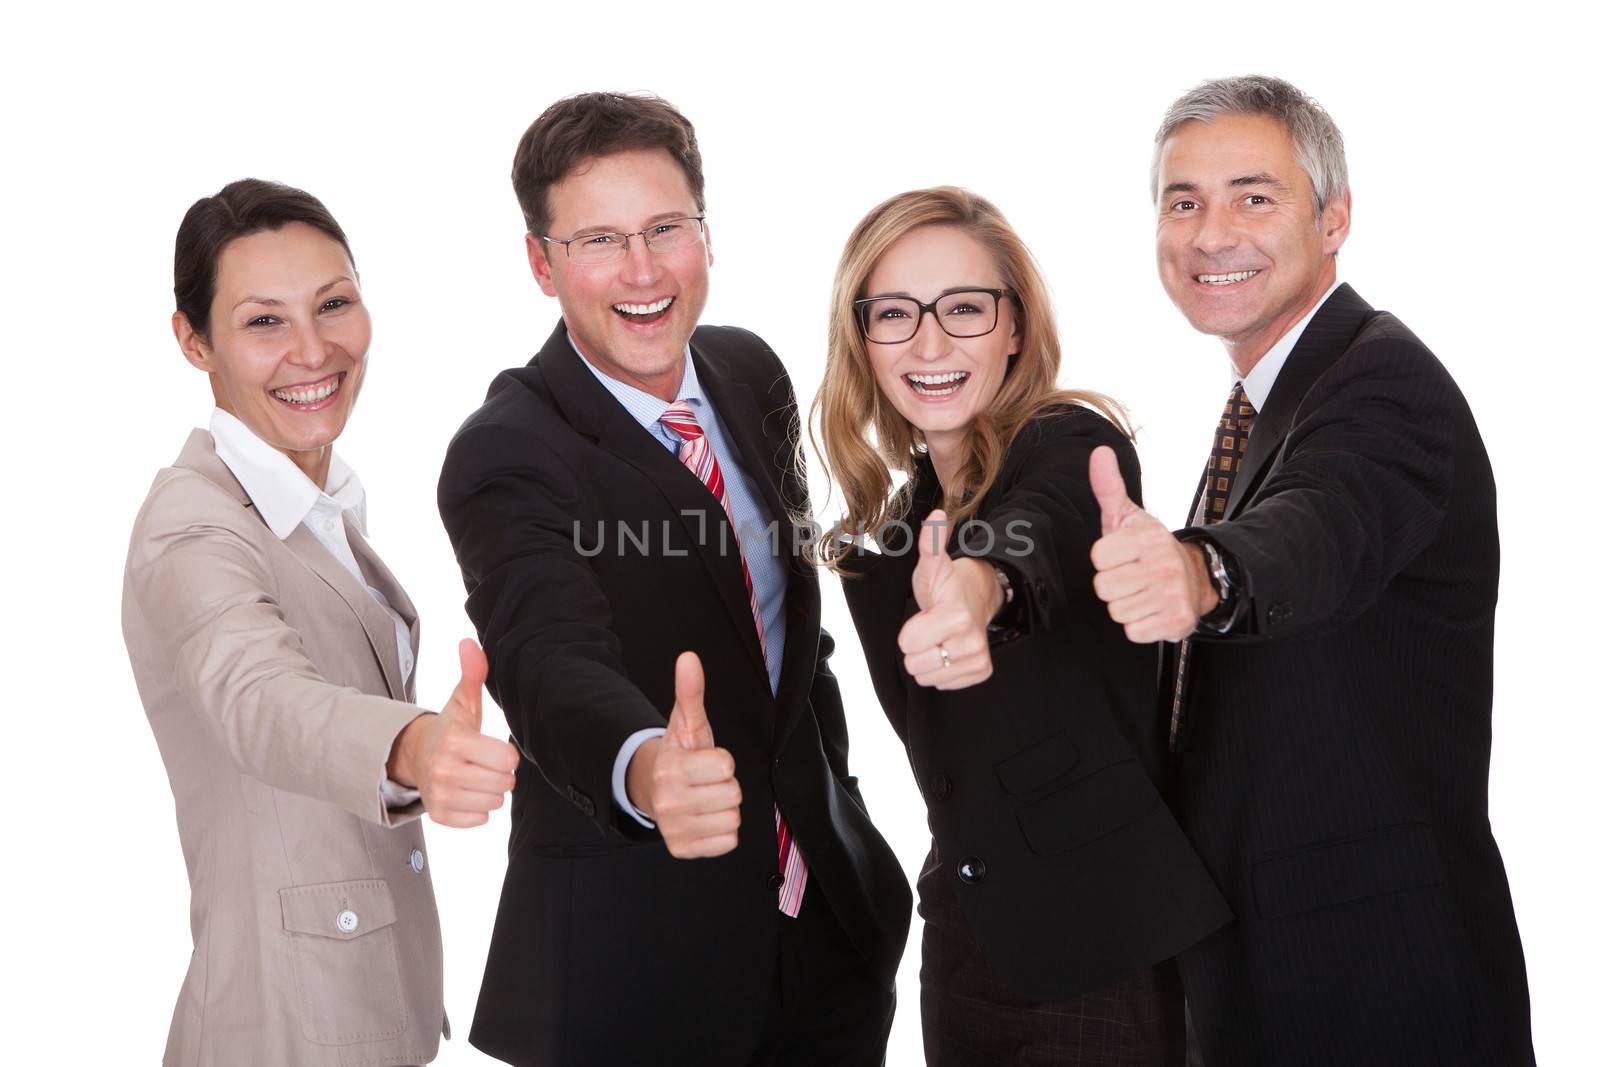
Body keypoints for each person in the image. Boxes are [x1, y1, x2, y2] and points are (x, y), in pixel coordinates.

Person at [435, 92, 911, 1067]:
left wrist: (843, 809)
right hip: (636, 966)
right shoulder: (506, 453)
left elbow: (786, 636)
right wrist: (645, 764)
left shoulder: (748, 374)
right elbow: (545, 656)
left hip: (825, 936)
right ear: (542, 262)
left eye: (665, 229)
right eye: (600, 239)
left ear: (706, 231)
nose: (643, 272)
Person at [1087, 75, 1535, 1066]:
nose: (1210, 235)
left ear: (1332, 219)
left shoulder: (1382, 384)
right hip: (1269, 967)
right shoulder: (1274, 397)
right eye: (1182, 200)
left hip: (1376, 981)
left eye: (1254, 195)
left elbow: (1320, 527)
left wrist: (1204, 572)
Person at [812, 186, 1232, 1067]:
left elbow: (1034, 532)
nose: (931, 342)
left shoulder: (1073, 444)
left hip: (1100, 952)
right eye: (895, 313)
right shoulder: (893, 531)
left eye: (964, 307)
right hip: (967, 943)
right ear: (863, 339)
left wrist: (977, 588)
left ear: (1015, 326)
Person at [122, 179, 520, 1067]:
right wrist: (411, 746)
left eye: (334, 303)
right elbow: (259, 696)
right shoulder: (193, 524)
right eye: (264, 322)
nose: (314, 349)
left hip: (358, 1007)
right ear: (195, 342)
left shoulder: (313, 503)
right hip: (283, 1029)